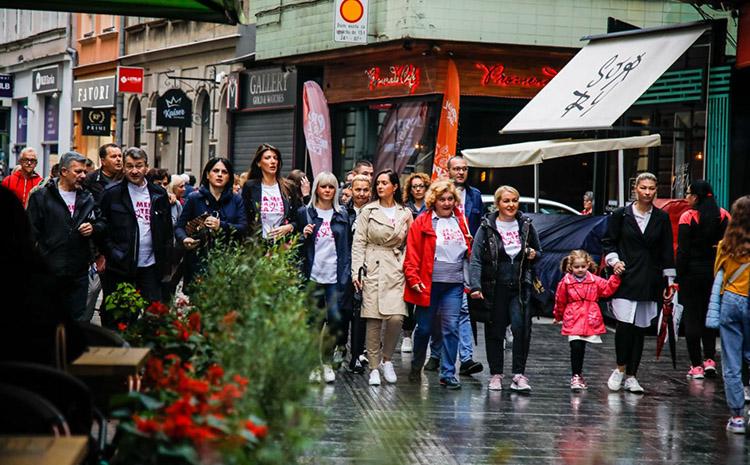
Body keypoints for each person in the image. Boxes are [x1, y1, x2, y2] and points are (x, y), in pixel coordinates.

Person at [602, 172, 675, 394]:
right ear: (636, 188)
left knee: (640, 329)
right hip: (626, 275)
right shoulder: (621, 215)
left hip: (650, 278)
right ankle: (620, 368)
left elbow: (666, 251)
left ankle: (633, 375)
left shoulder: (661, 218)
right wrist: (614, 262)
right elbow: (608, 242)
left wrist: (669, 282)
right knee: (624, 325)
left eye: (652, 188)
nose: (647, 192)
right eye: (643, 188)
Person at [469, 185, 541, 392]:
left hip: (520, 285)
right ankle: (496, 374)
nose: (511, 205)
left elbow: (540, 252)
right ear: (497, 203)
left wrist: (534, 254)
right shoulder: (486, 226)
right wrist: (475, 285)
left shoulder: (526, 225)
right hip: (494, 285)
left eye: (514, 200)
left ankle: (519, 374)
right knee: (495, 330)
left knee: (521, 329)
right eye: (506, 201)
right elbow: (475, 259)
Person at [404, 180, 472, 389]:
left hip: (454, 284)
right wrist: (413, 279)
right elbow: (412, 254)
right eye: (442, 199)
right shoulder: (422, 222)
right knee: (424, 329)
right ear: (434, 200)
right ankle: (416, 366)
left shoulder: (461, 221)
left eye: (450, 198)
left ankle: (448, 373)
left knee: (450, 328)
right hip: (428, 285)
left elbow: (467, 251)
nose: (446, 202)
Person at [99, 147, 173, 325]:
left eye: (139, 166)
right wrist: (111, 253)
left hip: (151, 265)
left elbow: (166, 229)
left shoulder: (158, 193)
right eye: (129, 166)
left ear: (146, 167)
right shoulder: (112, 193)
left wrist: (166, 259)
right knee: (123, 317)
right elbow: (102, 227)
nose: (134, 171)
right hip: (122, 265)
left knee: (154, 316)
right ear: (123, 168)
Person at [26, 151, 103, 322]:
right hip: (50, 269)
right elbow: (30, 232)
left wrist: (94, 228)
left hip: (78, 271)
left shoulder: (87, 197)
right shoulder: (42, 197)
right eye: (77, 171)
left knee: (77, 319)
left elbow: (102, 222)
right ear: (63, 172)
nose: (83, 176)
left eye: (84, 171)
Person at [352, 169, 412, 385]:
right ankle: (374, 366)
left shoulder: (405, 213)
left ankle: (388, 359)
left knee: (396, 317)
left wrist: (405, 263)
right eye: (378, 183)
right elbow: (358, 242)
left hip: (396, 267)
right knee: (373, 319)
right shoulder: (368, 211)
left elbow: (410, 243)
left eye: (385, 183)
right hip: (372, 264)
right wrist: (357, 270)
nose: (379, 186)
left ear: (395, 187)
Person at [296, 172, 351, 384]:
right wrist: (304, 235)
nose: (327, 191)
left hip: (335, 276)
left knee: (336, 320)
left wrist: (346, 275)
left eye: (331, 187)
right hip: (313, 275)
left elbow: (346, 247)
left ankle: (326, 362)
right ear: (316, 189)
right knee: (314, 322)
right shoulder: (306, 213)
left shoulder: (342, 214)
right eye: (323, 187)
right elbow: (296, 246)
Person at [676, 180, 731, 379]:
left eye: (689, 194)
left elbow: (682, 251)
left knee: (692, 317)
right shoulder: (723, 215)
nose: (686, 197)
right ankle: (710, 360)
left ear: (696, 197)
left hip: (691, 274)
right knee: (710, 315)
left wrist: (678, 275)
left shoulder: (688, 217)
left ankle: (696, 365)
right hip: (715, 274)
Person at [553, 250, 621, 391]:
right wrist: (558, 316)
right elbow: (560, 300)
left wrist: (616, 277)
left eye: (583, 266)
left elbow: (607, 289)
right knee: (576, 346)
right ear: (571, 267)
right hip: (573, 317)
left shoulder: (594, 280)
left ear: (588, 265)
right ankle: (576, 375)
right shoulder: (565, 282)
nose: (580, 270)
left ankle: (578, 374)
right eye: (577, 267)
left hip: (590, 317)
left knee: (581, 346)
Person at [176, 158, 247, 291]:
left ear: (229, 176)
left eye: (224, 172)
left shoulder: (236, 199)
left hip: (228, 261)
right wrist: (184, 239)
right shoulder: (194, 198)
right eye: (215, 171)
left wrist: (221, 225)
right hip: (198, 261)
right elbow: (179, 227)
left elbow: (243, 227)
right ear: (208, 175)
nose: (220, 174)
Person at [443, 155, 483, 376]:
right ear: (448, 170)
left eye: (464, 169)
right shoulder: (439, 192)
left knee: (464, 309)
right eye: (456, 169)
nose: (460, 172)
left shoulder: (474, 195)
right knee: (438, 309)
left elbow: (480, 225)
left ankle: (466, 358)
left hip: (466, 258)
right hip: (442, 257)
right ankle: (436, 354)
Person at [713, 195, 750, 433]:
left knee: (731, 360)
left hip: (731, 300)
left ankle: (737, 417)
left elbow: (718, 273)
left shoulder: (726, 245)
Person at [401, 172, 431, 353]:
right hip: (408, 254)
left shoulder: (432, 208)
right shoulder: (405, 207)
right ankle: (406, 335)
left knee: (424, 296)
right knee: (408, 298)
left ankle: (422, 333)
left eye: (421, 186)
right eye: (415, 186)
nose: (418, 189)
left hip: (427, 257)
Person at [346, 174, 373, 374]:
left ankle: (355, 355)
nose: (362, 194)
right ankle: (340, 346)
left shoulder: (374, 212)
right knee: (341, 313)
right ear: (351, 190)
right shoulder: (342, 212)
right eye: (358, 189)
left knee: (360, 314)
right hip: (341, 268)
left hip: (366, 269)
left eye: (365, 190)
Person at [241, 144, 295, 240]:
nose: (273, 161)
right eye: (267, 158)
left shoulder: (288, 187)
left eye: (275, 158)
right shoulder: (250, 187)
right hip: (258, 246)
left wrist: (289, 227)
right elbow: (244, 218)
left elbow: (298, 217)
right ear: (259, 163)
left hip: (283, 246)